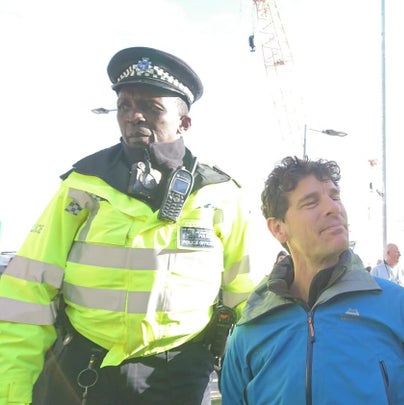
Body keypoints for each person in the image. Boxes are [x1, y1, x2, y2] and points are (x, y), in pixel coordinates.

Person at [0, 46, 255, 404]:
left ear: (184, 122)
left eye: (151, 108)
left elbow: (247, 297)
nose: (134, 116)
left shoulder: (220, 194)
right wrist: (12, 394)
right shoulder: (83, 184)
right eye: (125, 106)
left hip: (180, 376)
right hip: (84, 371)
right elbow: (28, 294)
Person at [220, 156, 404, 405]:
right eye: (311, 202)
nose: (333, 208)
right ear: (278, 228)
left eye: (335, 197)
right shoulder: (250, 330)